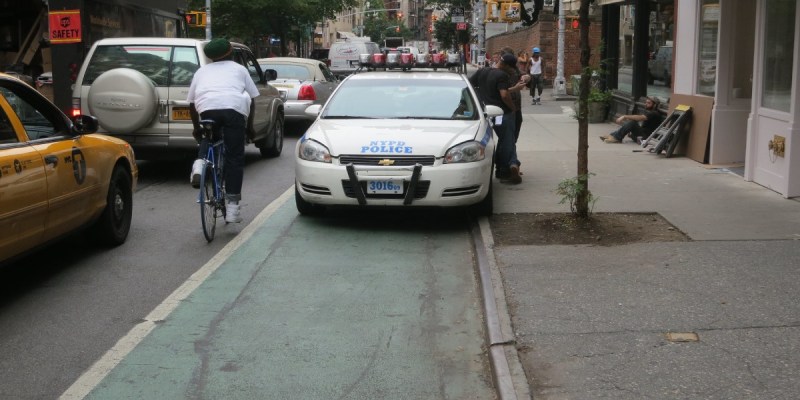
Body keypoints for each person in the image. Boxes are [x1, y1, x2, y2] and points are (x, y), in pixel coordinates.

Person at [187, 38, 260, 223]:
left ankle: (199, 165)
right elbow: (252, 99)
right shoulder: (240, 69)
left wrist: (196, 128)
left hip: (207, 109)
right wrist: (249, 127)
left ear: (211, 57)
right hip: (233, 110)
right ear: (230, 53)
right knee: (234, 157)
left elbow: (192, 103)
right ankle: (233, 209)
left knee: (208, 134)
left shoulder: (201, 71)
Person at [469, 53, 527, 184]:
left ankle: (508, 166)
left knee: (503, 141)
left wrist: (480, 97)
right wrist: (513, 108)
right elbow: (504, 95)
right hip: (503, 113)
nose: (512, 70)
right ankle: (507, 169)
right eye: (511, 67)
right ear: (506, 65)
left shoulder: (482, 71)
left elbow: (469, 85)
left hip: (487, 113)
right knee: (508, 141)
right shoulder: (502, 75)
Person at [502, 46, 531, 144]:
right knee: (507, 137)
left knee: (513, 136)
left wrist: (526, 77)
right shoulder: (498, 72)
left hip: (516, 106)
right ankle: (509, 152)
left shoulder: (515, 69)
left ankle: (511, 149)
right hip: (504, 108)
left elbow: (524, 75)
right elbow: (503, 93)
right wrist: (515, 88)